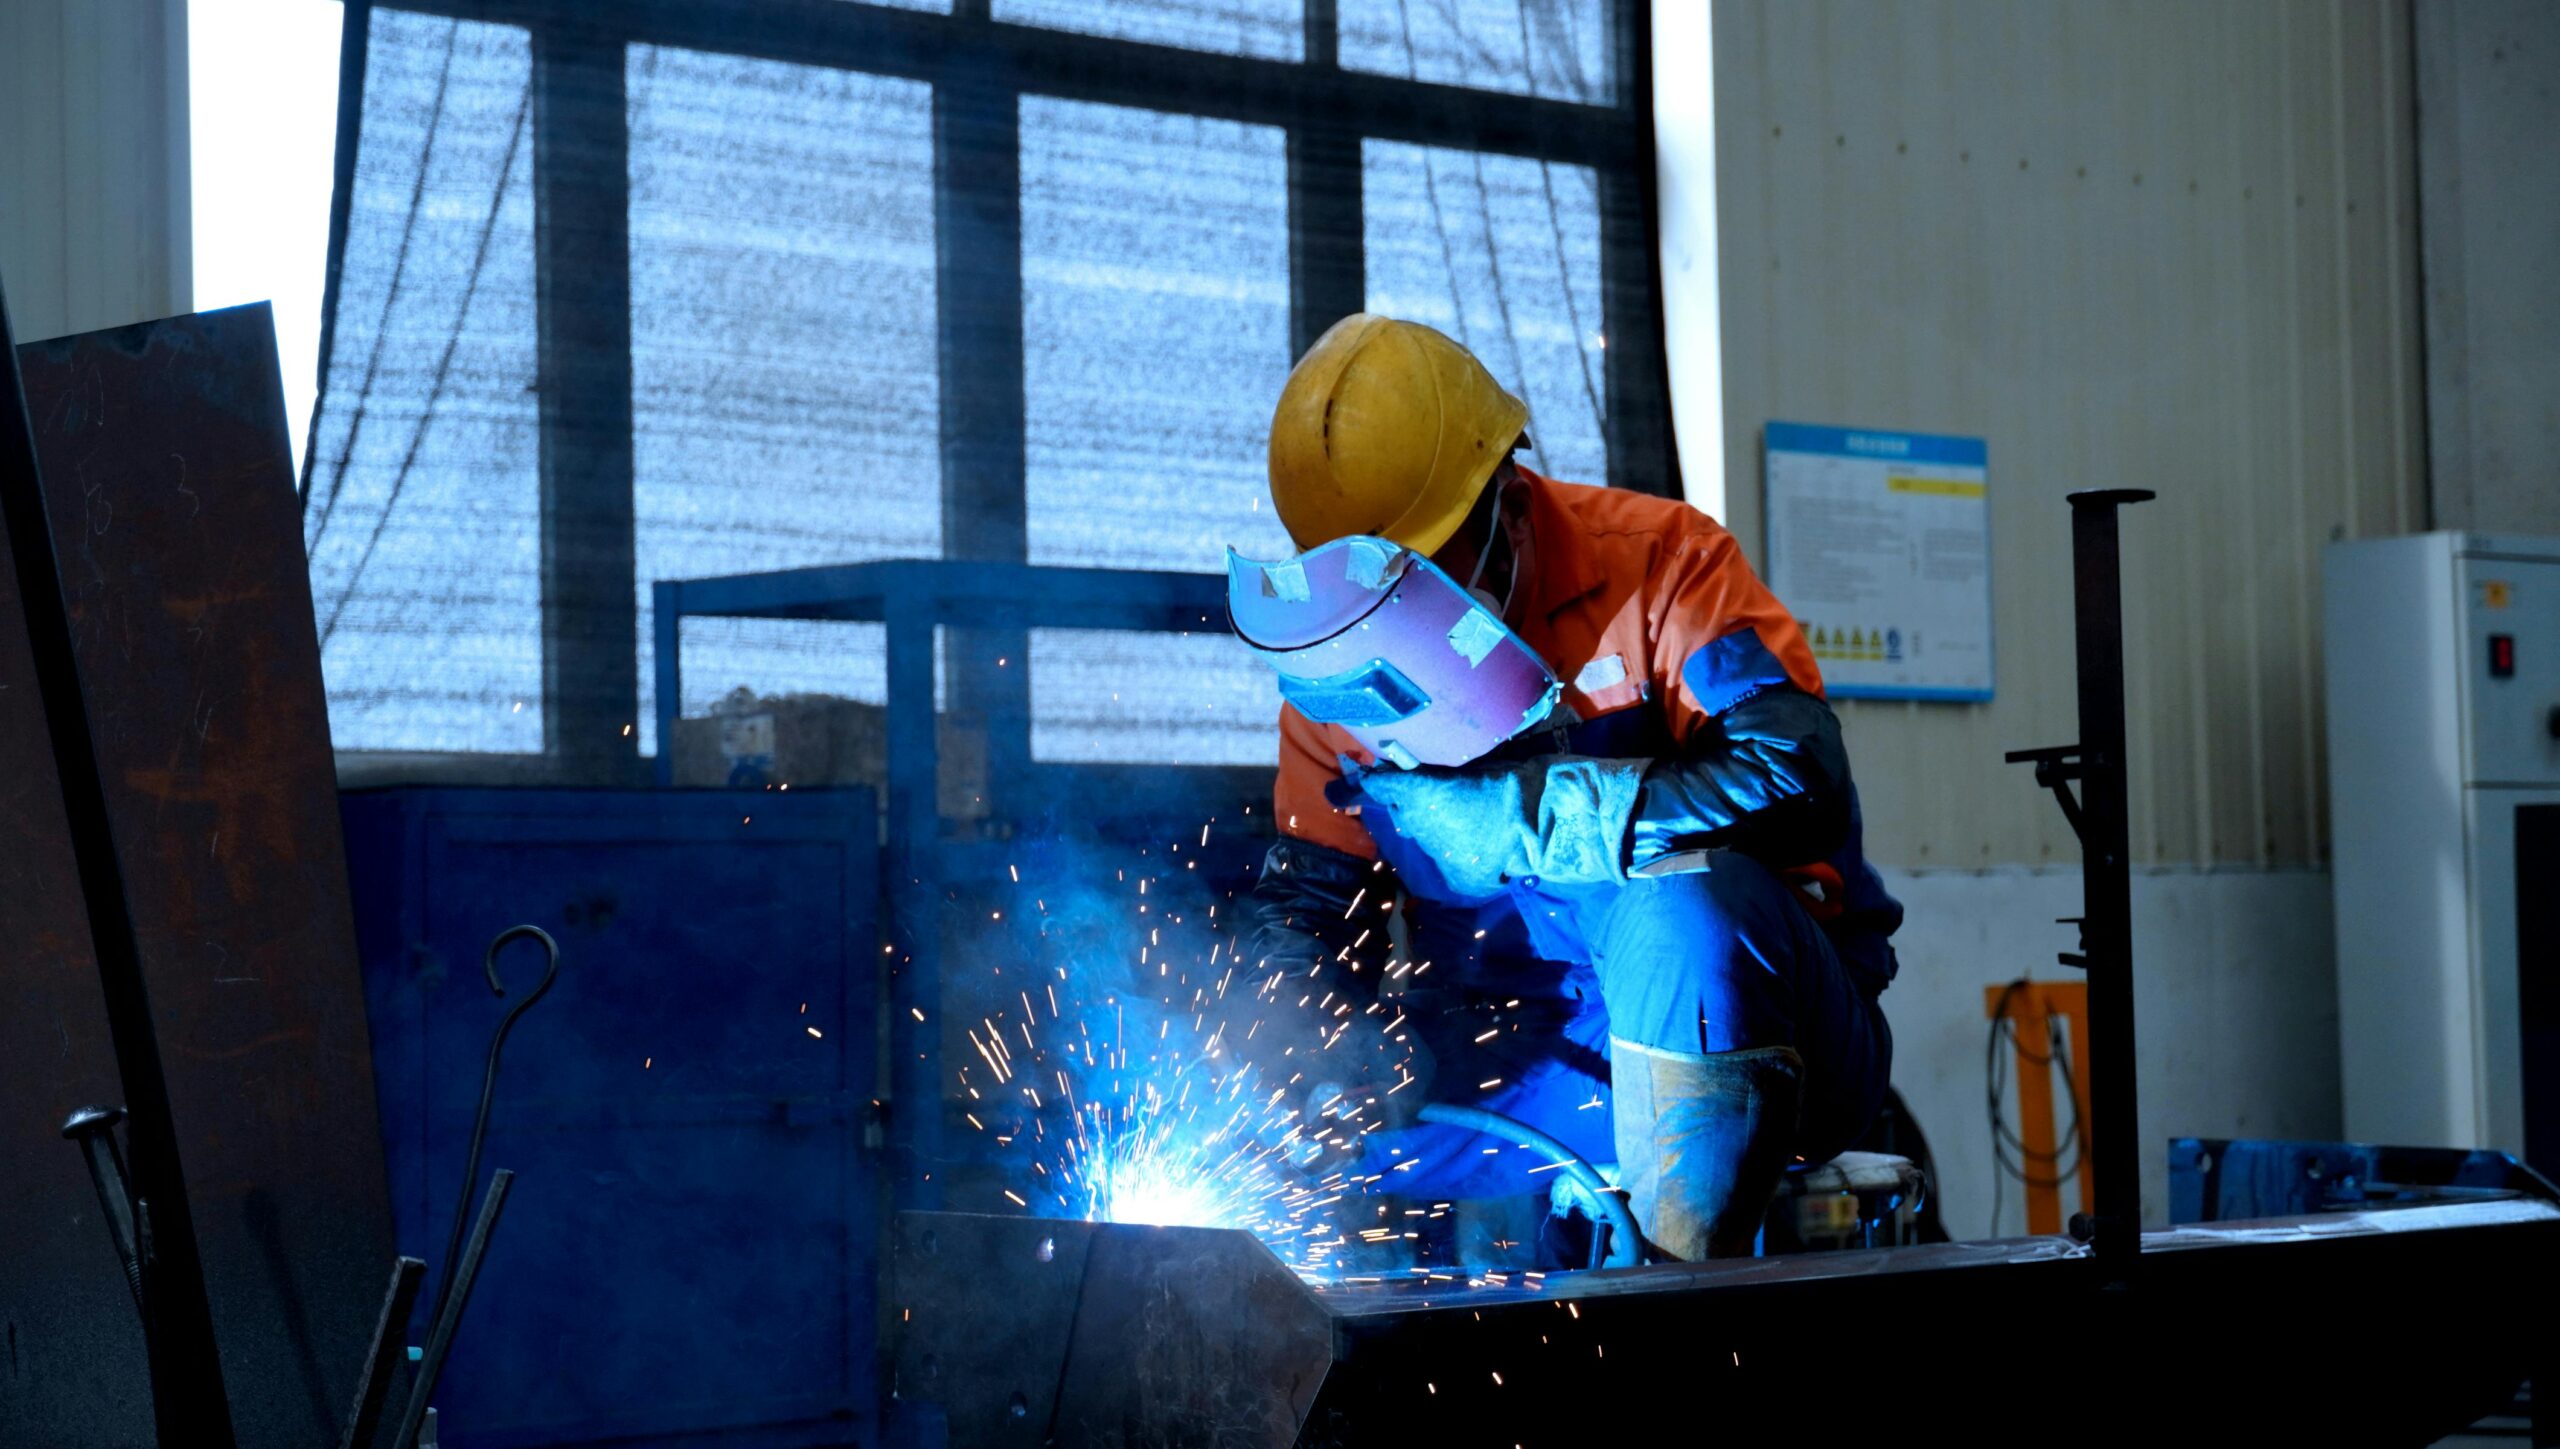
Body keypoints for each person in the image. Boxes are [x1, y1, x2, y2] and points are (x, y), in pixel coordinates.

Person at [1233, 314, 1902, 1260]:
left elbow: (1797, 773)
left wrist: (1527, 820)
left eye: (1417, 578)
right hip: (1526, 1065)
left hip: (1758, 1036)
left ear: (1504, 505)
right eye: (1364, 590)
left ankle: (1677, 1327)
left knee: (1687, 911)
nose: (1393, 617)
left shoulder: (1662, 567)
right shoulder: (1343, 679)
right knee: (1287, 1147)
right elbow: (1306, 906)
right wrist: (1318, 1048)